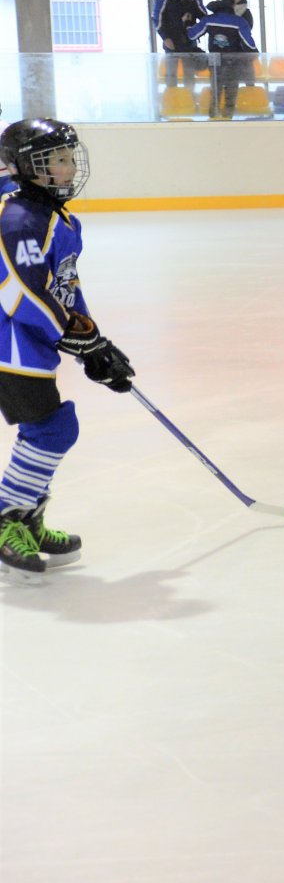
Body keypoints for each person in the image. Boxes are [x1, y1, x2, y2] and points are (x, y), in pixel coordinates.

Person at [0, 120, 129, 583]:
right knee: (53, 428)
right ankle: (7, 517)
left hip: (29, 342)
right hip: (8, 345)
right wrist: (73, 337)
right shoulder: (18, 221)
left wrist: (93, 341)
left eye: (70, 157)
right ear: (27, 169)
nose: (68, 167)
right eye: (55, 160)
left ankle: (26, 516)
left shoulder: (58, 217)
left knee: (50, 429)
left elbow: (64, 287)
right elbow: (21, 294)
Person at [186, 0, 258, 119]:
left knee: (215, 93)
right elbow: (249, 44)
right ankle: (227, 119)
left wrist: (186, 24)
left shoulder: (209, 19)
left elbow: (191, 35)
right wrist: (255, 54)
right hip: (233, 60)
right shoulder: (239, 21)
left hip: (214, 60)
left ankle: (213, 119)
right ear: (233, 5)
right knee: (230, 94)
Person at [150, 0, 205, 85]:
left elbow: (204, 17)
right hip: (172, 40)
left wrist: (197, 31)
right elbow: (157, 18)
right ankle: (171, 96)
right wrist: (165, 37)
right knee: (171, 72)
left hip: (189, 40)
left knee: (189, 72)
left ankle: (189, 96)